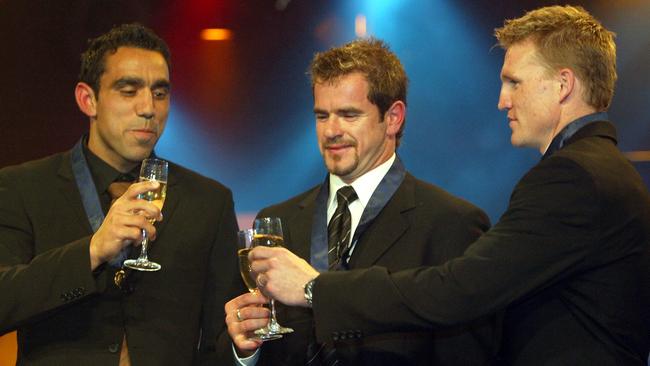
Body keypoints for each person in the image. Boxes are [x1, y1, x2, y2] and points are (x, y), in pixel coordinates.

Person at [248, 5, 650, 365]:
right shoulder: (602, 170)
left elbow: (458, 290)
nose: (502, 100)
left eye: (514, 82)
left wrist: (316, 289)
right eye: (322, 115)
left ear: (563, 84)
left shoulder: (572, 178)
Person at [221, 38, 500, 365]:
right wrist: (245, 351)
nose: (331, 131)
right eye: (322, 116)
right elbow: (243, 337)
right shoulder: (277, 221)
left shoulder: (451, 223)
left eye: (349, 114)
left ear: (393, 118)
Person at [0, 24, 243, 365]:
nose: (148, 107)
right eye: (129, 91)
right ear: (88, 99)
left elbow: (223, 334)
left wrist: (246, 350)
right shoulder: (21, 187)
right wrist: (92, 251)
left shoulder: (210, 201)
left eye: (160, 93)